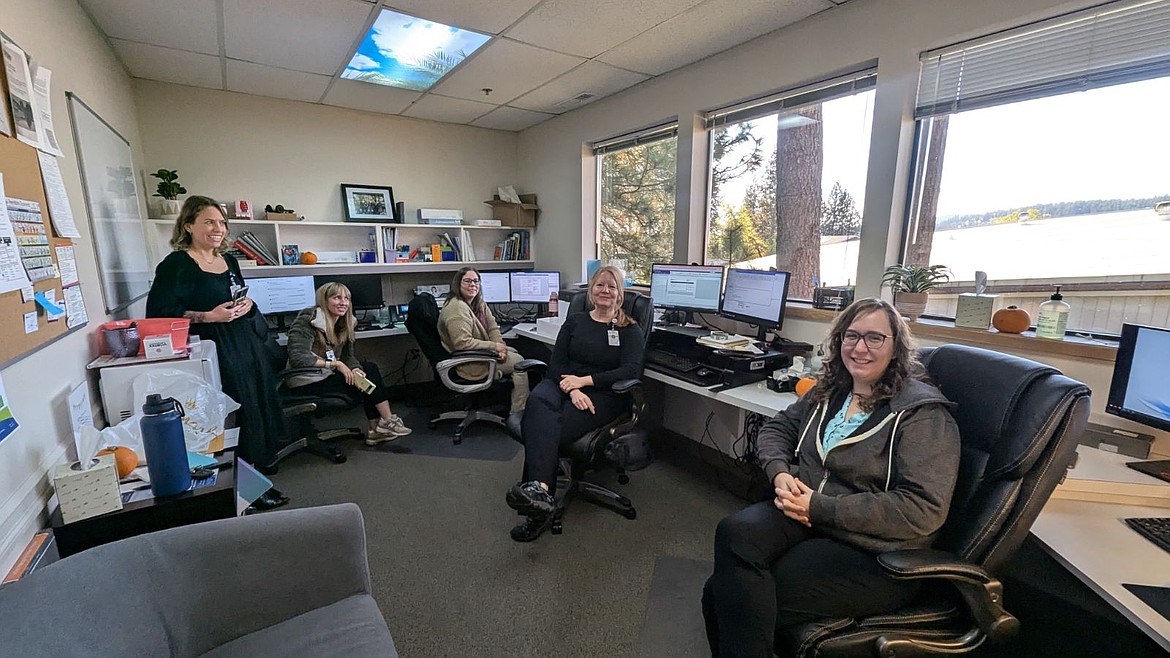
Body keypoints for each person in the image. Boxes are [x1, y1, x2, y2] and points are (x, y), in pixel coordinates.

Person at [702, 297, 961, 657]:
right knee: (732, 533)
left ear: (895, 347)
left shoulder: (923, 414)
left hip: (873, 550)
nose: (860, 348)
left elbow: (921, 509)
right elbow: (778, 428)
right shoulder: (832, 391)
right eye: (851, 336)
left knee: (722, 595)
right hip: (809, 513)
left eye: (875, 338)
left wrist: (821, 507)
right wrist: (778, 472)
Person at [145, 195, 290, 512]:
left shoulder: (230, 260)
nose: (218, 228)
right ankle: (240, 492)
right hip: (211, 349)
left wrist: (247, 306)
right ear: (188, 225)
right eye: (209, 221)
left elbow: (238, 299)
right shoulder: (177, 265)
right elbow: (158, 314)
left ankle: (256, 484)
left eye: (222, 223)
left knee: (255, 410)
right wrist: (207, 316)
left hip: (244, 343)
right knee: (230, 419)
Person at [504, 265, 645, 542]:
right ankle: (541, 492)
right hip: (563, 384)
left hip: (603, 393)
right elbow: (556, 364)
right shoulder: (575, 321)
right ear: (591, 290)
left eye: (611, 286)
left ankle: (536, 502)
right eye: (600, 285)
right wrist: (571, 389)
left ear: (620, 294)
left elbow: (629, 372)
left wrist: (585, 383)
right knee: (538, 402)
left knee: (546, 425)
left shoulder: (630, 330)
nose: (605, 291)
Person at [285, 281, 411, 443]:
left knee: (366, 372)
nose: (343, 303)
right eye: (337, 298)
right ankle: (384, 423)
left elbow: (348, 357)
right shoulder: (307, 321)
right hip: (306, 380)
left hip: (327, 375)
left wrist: (355, 369)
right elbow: (298, 357)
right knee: (369, 375)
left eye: (347, 298)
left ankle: (379, 428)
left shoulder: (345, 323)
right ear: (324, 300)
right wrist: (335, 364)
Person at [437, 266, 530, 416]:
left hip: (482, 354)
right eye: (467, 281)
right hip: (468, 362)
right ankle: (518, 413)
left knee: (514, 352)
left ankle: (512, 402)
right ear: (457, 284)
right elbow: (462, 343)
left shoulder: (478, 303)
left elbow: (493, 328)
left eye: (476, 281)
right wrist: (495, 347)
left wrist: (502, 348)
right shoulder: (457, 308)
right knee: (520, 363)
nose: (472, 285)